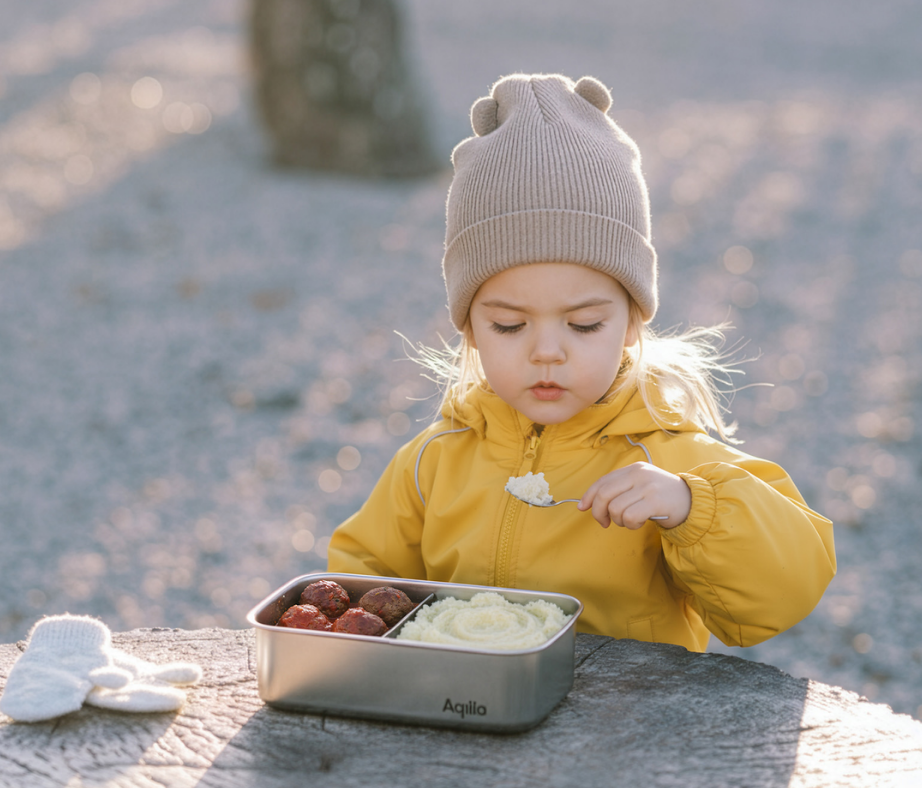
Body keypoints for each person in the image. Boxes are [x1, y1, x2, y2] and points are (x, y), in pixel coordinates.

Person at [328, 72, 835, 651]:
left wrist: (692, 507)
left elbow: (788, 591)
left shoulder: (670, 457)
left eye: (585, 324)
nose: (548, 350)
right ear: (469, 329)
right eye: (510, 325)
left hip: (628, 726)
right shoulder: (432, 463)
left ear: (631, 322)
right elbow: (358, 589)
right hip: (465, 719)